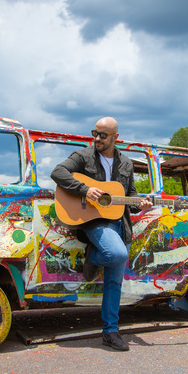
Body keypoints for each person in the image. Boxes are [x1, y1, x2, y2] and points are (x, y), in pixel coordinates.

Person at [51, 117, 152, 351]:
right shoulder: (83, 156)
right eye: (95, 133)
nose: (97, 138)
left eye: (102, 135)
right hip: (94, 222)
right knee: (116, 255)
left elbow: (130, 197)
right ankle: (93, 257)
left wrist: (141, 204)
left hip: (120, 224)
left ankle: (110, 332)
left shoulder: (126, 163)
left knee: (114, 281)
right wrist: (85, 190)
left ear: (115, 137)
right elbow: (58, 172)